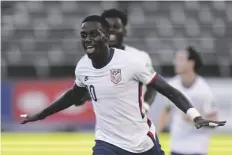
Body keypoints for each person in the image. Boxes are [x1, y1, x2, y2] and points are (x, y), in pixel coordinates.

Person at [20, 15, 226, 155]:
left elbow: (167, 90)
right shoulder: (83, 67)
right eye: (84, 35)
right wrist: (40, 115)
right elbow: (73, 95)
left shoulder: (131, 62)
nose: (88, 39)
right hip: (107, 143)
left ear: (106, 36)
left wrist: (195, 116)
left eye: (93, 34)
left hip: (142, 142)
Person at [155, 46, 219, 155]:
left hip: (197, 148)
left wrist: (196, 120)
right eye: (176, 59)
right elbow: (166, 111)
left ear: (191, 63)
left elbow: (214, 121)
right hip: (176, 148)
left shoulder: (204, 90)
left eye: (180, 59)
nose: (176, 62)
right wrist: (155, 137)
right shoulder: (172, 85)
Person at [101, 8, 156, 113]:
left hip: (136, 124)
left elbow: (153, 86)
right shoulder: (92, 61)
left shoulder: (140, 57)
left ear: (124, 31)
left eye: (116, 27)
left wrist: (146, 105)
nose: (111, 30)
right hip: (105, 127)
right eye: (107, 27)